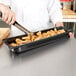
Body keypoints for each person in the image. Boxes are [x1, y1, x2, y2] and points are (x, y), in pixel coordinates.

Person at [0, 0, 73, 37]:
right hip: (18, 36)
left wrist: (61, 31)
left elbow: (54, 9)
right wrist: (2, 7)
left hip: (43, 36)